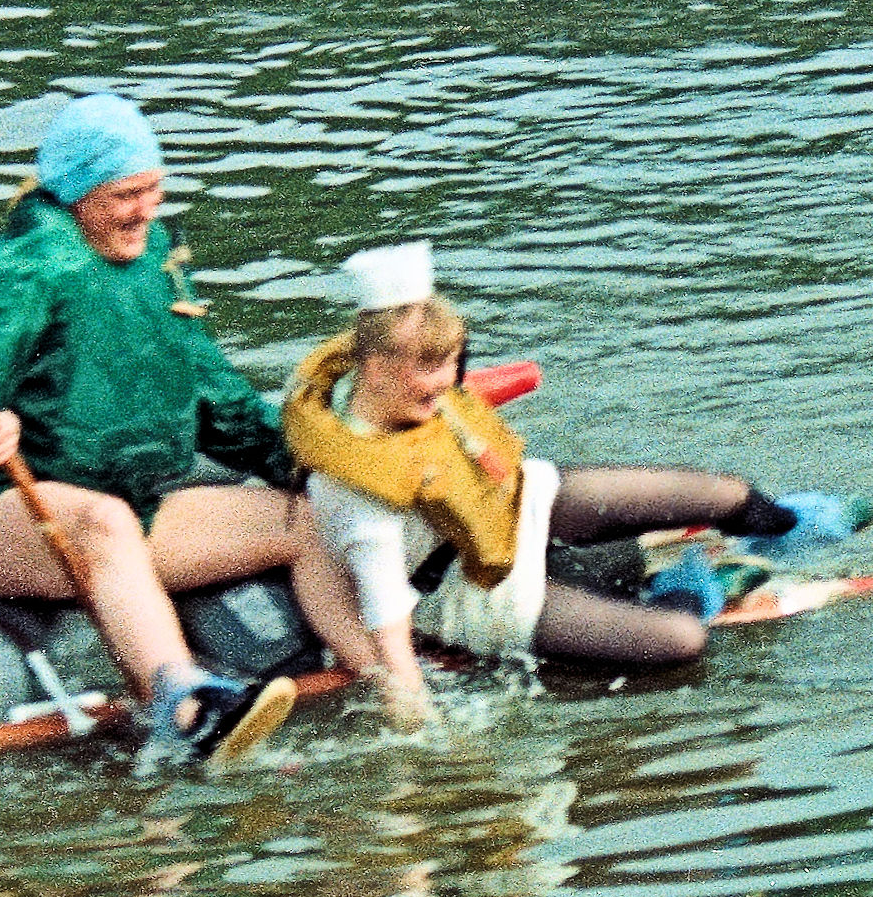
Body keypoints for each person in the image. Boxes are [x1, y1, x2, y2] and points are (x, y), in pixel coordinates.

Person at [0, 93, 349, 761]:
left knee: (301, 519)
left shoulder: (159, 258)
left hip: (137, 508)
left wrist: (315, 459)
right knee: (103, 521)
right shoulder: (14, 269)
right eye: (124, 196)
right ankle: (185, 705)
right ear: (77, 194)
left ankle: (384, 674)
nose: (144, 211)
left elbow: (214, 397)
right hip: (9, 518)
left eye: (153, 190)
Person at [285, 240, 869, 725]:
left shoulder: (409, 393)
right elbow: (389, 626)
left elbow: (464, 439)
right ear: (378, 365)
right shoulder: (356, 485)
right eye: (428, 368)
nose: (445, 385)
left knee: (728, 494)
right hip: (482, 593)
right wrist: (420, 728)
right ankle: (695, 587)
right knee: (681, 642)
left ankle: (800, 526)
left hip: (522, 502)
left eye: (452, 365)